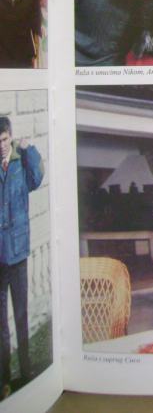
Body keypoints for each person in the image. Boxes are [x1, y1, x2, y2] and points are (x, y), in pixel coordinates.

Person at [0, 117, 44, 399]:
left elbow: (36, 180)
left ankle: (26, 372)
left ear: (11, 137)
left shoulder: (21, 163)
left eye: (4, 140)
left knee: (21, 314)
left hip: (18, 252)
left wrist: (30, 151)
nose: (1, 146)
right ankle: (4, 378)